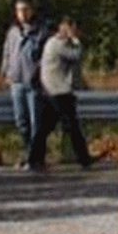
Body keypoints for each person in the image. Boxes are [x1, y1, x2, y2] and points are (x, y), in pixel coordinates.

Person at [28, 16, 95, 170]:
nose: (76, 32)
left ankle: (35, 159)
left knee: (45, 128)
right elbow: (75, 55)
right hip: (57, 92)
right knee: (71, 127)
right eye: (73, 29)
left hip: (53, 92)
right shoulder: (56, 44)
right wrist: (76, 41)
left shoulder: (58, 43)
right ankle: (83, 159)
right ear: (64, 27)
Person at [0, 0, 47, 168]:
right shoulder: (13, 32)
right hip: (16, 83)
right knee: (22, 122)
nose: (22, 14)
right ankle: (30, 155)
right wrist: (7, 73)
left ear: (32, 11)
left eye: (25, 10)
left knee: (36, 123)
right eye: (19, 10)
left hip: (33, 84)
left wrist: (38, 74)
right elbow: (7, 53)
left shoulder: (41, 31)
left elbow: (45, 58)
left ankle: (36, 158)